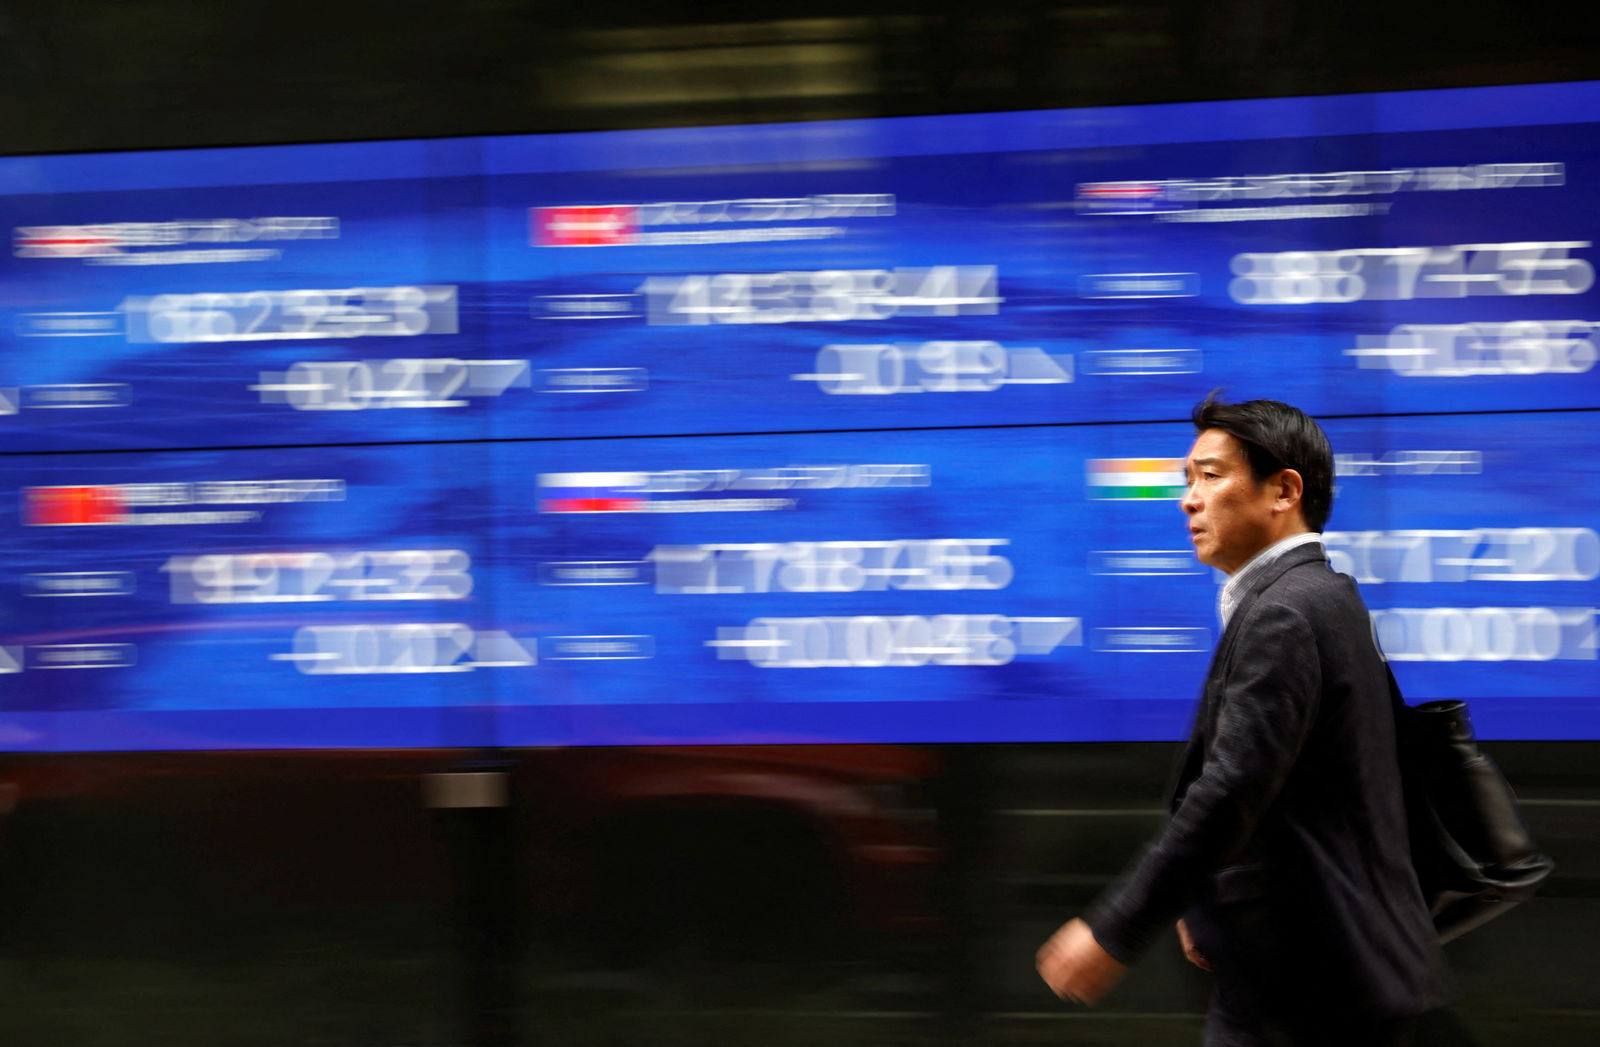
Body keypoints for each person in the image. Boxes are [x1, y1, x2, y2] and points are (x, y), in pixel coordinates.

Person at [1036, 395, 1449, 1046]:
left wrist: (1115, 928)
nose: (1187, 500)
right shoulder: (1324, 596)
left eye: (1210, 475)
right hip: (1327, 974)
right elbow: (1302, 792)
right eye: (1186, 480)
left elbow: (1232, 788)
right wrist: (1203, 898)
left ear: (1283, 489)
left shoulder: (1285, 612)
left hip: (1314, 989)